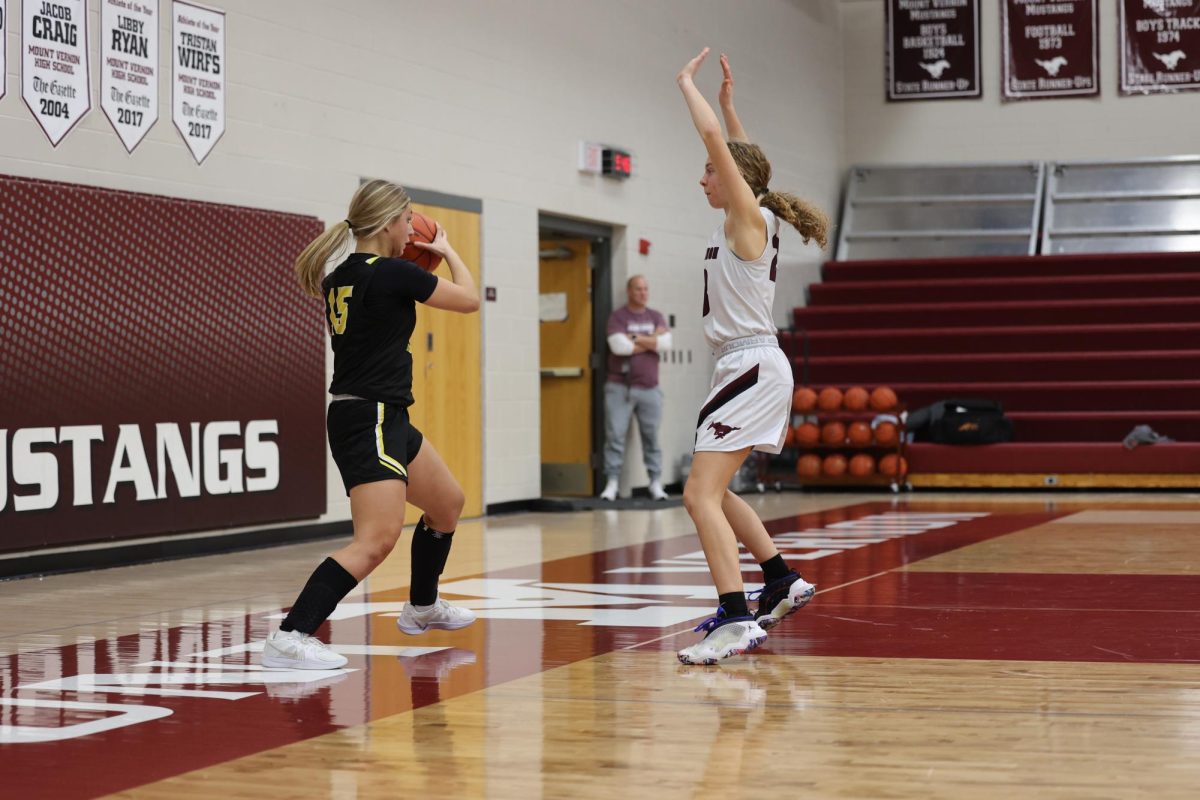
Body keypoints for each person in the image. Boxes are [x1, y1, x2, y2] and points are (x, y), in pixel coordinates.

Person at [262, 179, 481, 670]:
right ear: (388, 223)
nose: (411, 231)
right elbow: (469, 299)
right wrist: (446, 251)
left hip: (382, 414)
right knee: (377, 539)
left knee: (447, 504)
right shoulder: (391, 275)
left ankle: (422, 606)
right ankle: (291, 635)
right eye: (408, 221)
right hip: (371, 416)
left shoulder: (343, 272)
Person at [675, 50, 829, 665]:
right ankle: (779, 578)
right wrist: (735, 108)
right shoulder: (754, 212)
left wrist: (688, 86)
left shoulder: (746, 219)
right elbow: (741, 157)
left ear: (727, 176)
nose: (703, 179)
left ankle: (736, 618)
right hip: (747, 364)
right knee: (716, 488)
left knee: (697, 495)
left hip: (750, 363)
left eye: (708, 172)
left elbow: (716, 142)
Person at [601, 275, 672, 501]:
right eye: (638, 289)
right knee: (615, 436)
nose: (643, 293)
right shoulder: (618, 317)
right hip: (619, 387)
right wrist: (651, 340)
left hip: (650, 388)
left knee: (651, 437)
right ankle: (611, 484)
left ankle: (655, 483)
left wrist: (635, 338)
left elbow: (666, 344)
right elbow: (619, 347)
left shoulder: (655, 316)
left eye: (646, 289)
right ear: (629, 291)